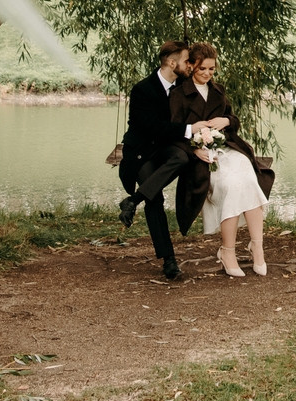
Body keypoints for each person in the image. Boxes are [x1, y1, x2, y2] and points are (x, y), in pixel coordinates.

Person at [169, 44, 270, 277]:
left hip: (227, 149)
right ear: (191, 65)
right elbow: (172, 132)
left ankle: (257, 246)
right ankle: (228, 251)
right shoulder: (178, 94)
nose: (207, 73)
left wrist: (226, 122)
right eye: (202, 68)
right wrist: (194, 151)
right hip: (200, 158)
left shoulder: (218, 90)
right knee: (232, 186)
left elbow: (233, 119)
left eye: (212, 69)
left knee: (248, 176)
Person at [116, 40, 195, 279]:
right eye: (186, 61)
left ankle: (133, 200)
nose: (190, 66)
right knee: (155, 199)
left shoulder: (183, 85)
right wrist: (189, 130)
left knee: (182, 157)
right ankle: (169, 261)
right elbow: (151, 128)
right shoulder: (143, 89)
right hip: (140, 151)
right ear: (172, 63)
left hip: (164, 149)